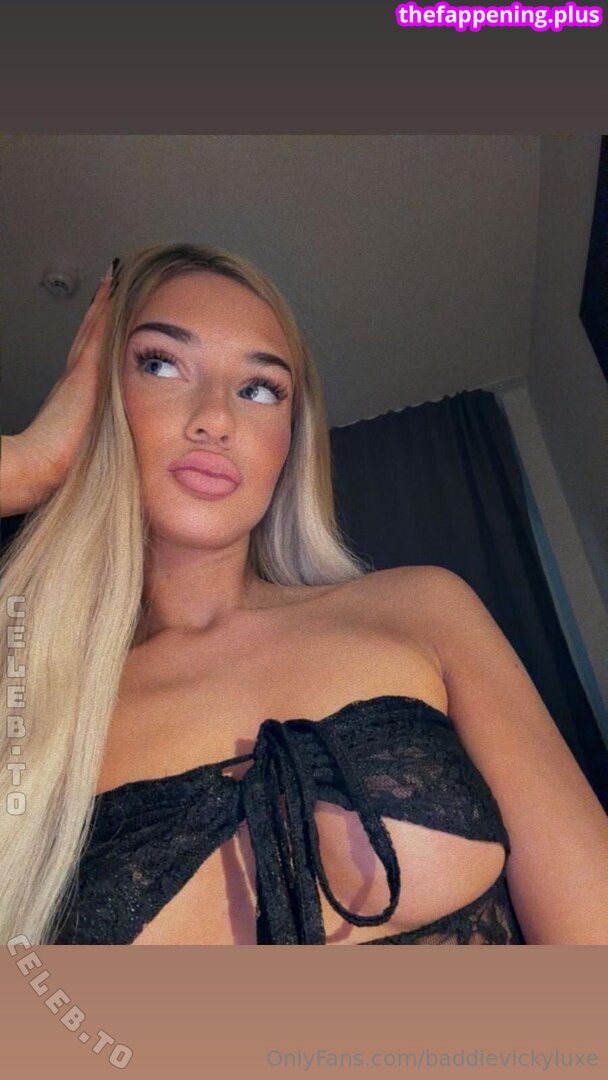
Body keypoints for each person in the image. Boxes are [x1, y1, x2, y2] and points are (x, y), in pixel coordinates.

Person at [1, 243, 607, 947]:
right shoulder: (27, 697)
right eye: (160, 364)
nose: (216, 418)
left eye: (260, 389)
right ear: (97, 400)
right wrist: (27, 466)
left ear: (289, 441)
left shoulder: (423, 610)